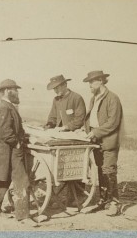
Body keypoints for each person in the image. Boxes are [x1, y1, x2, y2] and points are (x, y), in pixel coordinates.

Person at [0, 79, 31, 222]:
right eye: (15, 90)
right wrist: (17, 142)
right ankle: (23, 215)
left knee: (3, 178)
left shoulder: (7, 106)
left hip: (6, 150)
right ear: (6, 91)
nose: (17, 92)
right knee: (21, 181)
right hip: (10, 150)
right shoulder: (5, 107)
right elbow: (5, 132)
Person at [83, 70, 123, 216]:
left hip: (109, 141)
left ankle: (114, 203)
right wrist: (86, 131)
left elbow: (113, 122)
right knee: (100, 170)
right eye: (89, 83)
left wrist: (96, 132)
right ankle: (103, 200)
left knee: (109, 170)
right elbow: (91, 118)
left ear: (100, 81)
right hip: (96, 140)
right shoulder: (94, 98)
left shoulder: (113, 98)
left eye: (91, 82)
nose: (89, 85)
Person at [44, 74, 86, 210]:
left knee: (75, 165)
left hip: (74, 136)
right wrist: (49, 125)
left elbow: (80, 119)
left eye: (57, 88)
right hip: (60, 137)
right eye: (54, 89)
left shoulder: (76, 98)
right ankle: (58, 194)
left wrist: (66, 127)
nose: (56, 91)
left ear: (65, 85)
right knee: (60, 166)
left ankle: (76, 197)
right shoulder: (56, 100)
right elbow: (52, 116)